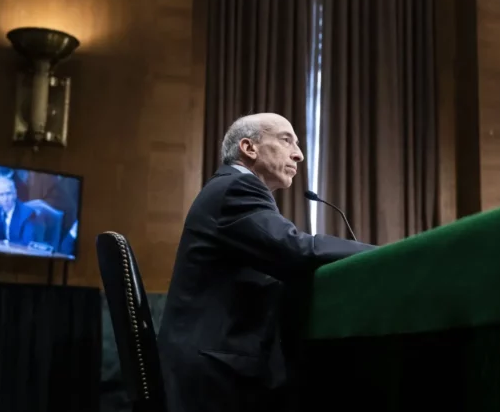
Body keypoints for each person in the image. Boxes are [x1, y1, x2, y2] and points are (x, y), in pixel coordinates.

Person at [157, 113, 377, 412]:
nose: (298, 154)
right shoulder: (236, 188)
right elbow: (296, 249)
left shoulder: (229, 188)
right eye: (287, 140)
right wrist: (379, 254)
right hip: (215, 373)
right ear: (249, 148)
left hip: (212, 361)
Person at [0, 176, 37, 246]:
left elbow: (27, 244)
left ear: (15, 194)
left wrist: (4, 245)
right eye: (1, 195)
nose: (5, 199)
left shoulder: (27, 213)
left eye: (8, 194)